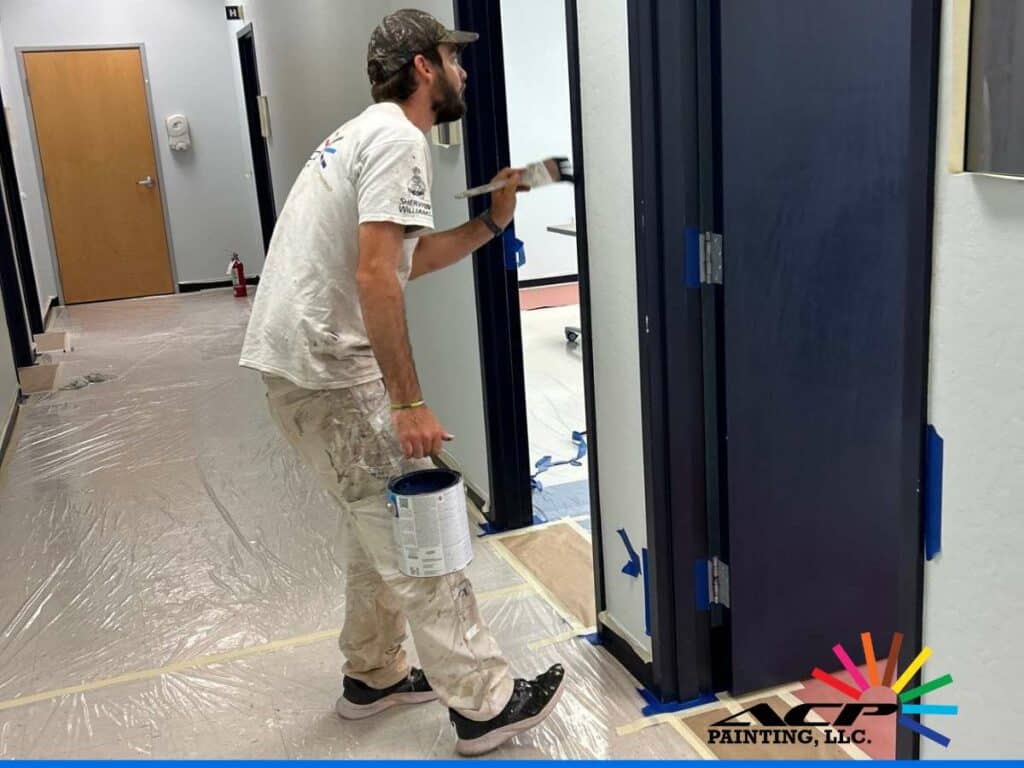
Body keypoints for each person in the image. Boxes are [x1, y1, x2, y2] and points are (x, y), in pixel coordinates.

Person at [238, 8, 564, 757]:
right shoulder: (396, 139)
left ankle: (374, 675)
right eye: (455, 58)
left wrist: (492, 222)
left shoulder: (363, 134)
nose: (465, 71)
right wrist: (407, 400)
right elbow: (375, 275)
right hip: (328, 371)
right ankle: (485, 706)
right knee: (418, 537)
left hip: (300, 370)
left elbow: (407, 261)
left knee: (372, 522)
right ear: (424, 66)